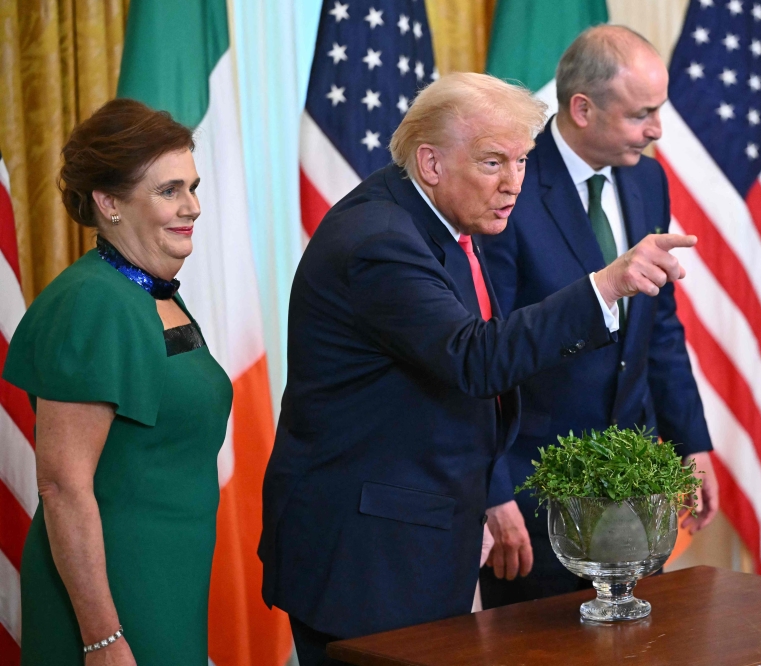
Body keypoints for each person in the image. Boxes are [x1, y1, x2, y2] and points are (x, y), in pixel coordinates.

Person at [258, 72, 697, 665]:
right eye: (494, 162)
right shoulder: (379, 241)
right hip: (366, 553)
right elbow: (476, 357)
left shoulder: (435, 224)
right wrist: (603, 286)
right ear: (431, 163)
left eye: (520, 161)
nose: (513, 183)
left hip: (414, 532)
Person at [478, 25, 720, 608]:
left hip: (634, 485)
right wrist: (494, 490)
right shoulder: (509, 186)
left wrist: (692, 442)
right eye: (643, 114)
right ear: (583, 109)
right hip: (535, 491)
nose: (658, 129)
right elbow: (486, 351)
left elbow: (659, 327)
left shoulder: (646, 177)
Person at [3, 98, 232, 665]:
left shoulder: (152, 293)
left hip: (169, 581)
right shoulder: (93, 303)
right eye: (169, 190)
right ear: (108, 203)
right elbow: (62, 486)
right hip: (111, 601)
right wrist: (103, 638)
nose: (193, 207)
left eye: (193, 187)